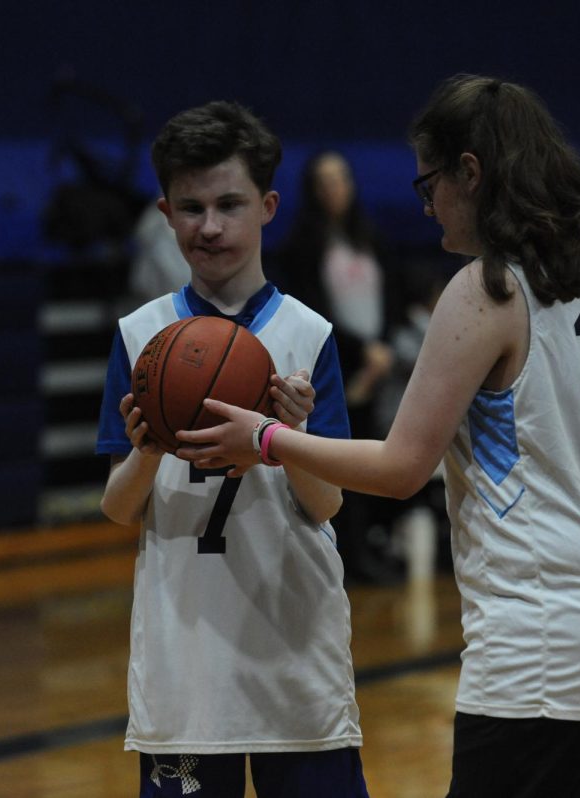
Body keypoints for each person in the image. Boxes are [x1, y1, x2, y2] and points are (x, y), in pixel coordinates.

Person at [178, 74, 580, 798]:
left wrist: (266, 440)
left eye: (430, 186)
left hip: (540, 637)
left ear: (471, 173)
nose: (428, 208)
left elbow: (400, 465)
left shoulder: (488, 287)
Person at [95, 101, 368, 798]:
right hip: (183, 667)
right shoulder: (140, 339)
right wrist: (149, 450)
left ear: (269, 206)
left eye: (228, 204)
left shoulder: (308, 336)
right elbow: (118, 508)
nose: (209, 226)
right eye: (190, 207)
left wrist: (286, 444)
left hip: (293, 654)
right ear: (163, 210)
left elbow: (327, 503)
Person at [277, 150, 403, 582]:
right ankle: (346, 552)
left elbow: (390, 297)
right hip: (339, 364)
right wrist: (361, 351)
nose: (336, 188)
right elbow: (314, 310)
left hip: (376, 365)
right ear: (313, 191)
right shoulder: (305, 245)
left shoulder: (369, 237)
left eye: (342, 178)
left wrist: (381, 346)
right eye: (325, 181)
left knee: (377, 458)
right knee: (341, 464)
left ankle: (372, 546)